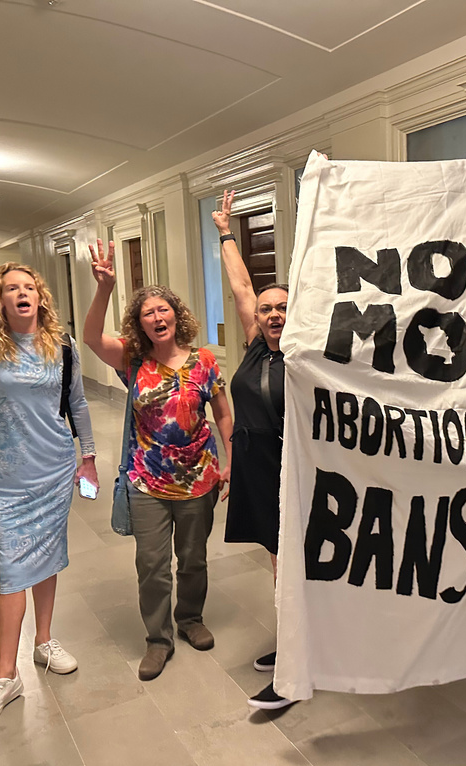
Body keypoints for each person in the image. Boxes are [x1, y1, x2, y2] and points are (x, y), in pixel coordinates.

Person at [0, 194, 98, 728]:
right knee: (12, 572)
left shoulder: (63, 347)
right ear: (1, 300)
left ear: (40, 296)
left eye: (28, 286)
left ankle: (45, 642)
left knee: (47, 560)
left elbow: (78, 405)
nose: (21, 292)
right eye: (11, 288)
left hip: (54, 471)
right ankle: (5, 675)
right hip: (6, 481)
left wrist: (88, 458)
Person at [84, 246, 233, 681]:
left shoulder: (204, 360)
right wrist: (105, 288)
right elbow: (91, 337)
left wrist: (232, 461)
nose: (156, 317)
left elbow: (223, 414)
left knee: (193, 559)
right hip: (147, 481)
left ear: (175, 314)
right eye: (147, 313)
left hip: (199, 479)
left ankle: (190, 619)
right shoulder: (132, 360)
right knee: (151, 565)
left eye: (162, 309)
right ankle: (158, 639)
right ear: (140, 323)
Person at [211, 189, 293, 710]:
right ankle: (297, 644)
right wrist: (225, 231)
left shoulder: (307, 353)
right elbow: (241, 285)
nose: (273, 314)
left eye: (283, 307)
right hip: (256, 468)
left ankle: (296, 664)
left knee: (290, 565)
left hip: (290, 468)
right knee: (278, 560)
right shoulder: (256, 344)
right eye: (267, 309)